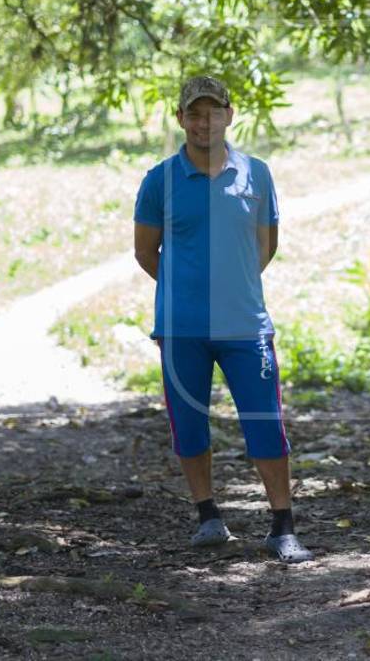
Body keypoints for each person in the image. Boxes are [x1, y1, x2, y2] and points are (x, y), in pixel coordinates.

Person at [133, 75, 312, 563]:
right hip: (181, 328)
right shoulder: (159, 180)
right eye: (194, 113)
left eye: (213, 112)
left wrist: (231, 285)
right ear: (180, 119)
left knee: (266, 423)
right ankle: (208, 515)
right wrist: (187, 289)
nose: (203, 121)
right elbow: (146, 252)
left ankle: (283, 526)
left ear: (230, 115)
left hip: (245, 325)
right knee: (188, 425)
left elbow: (265, 244)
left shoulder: (258, 173)